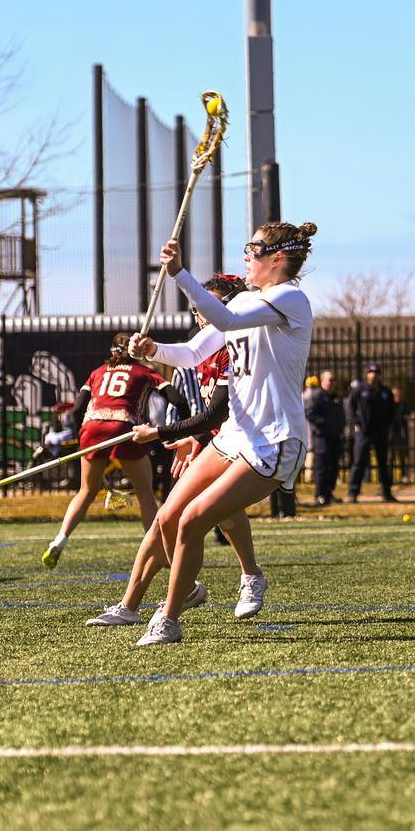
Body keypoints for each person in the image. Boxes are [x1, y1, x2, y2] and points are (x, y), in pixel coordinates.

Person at [128, 223, 317, 643]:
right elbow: (195, 352)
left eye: (254, 248)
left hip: (274, 439)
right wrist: (154, 351)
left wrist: (180, 273)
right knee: (169, 517)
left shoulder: (289, 297)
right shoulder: (250, 298)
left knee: (194, 520)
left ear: (278, 258)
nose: (246, 255)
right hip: (236, 433)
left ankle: (169, 619)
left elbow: (226, 317)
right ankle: (197, 590)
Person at [88, 274, 269, 629]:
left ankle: (244, 577)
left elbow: (216, 413)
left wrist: (161, 431)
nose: (201, 315)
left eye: (209, 307)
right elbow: (189, 366)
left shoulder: (239, 343)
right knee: (166, 518)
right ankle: (135, 603)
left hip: (244, 440)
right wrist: (150, 350)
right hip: (213, 439)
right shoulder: (205, 344)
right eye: (197, 308)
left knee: (218, 515)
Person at [41, 333, 186, 567]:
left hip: (92, 427)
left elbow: (77, 409)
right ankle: (158, 549)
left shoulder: (97, 372)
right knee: (145, 493)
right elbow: (177, 400)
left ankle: (59, 539)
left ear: (112, 351)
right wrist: (181, 427)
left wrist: (82, 440)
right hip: (124, 427)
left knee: (86, 491)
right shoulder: (145, 372)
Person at [345, 362, 397, 502]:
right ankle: (353, 493)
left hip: (380, 432)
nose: (373, 375)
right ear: (367, 374)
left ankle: (386, 493)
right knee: (359, 462)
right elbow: (350, 407)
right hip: (364, 432)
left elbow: (392, 411)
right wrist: (356, 422)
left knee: (383, 463)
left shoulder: (385, 391)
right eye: (371, 372)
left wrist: (388, 425)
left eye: (376, 372)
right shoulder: (359, 390)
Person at [305, 369, 345, 505]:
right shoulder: (317, 396)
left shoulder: (336, 397)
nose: (333, 383)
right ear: (323, 381)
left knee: (333, 467)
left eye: (334, 380)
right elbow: (310, 413)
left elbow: (341, 415)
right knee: (322, 467)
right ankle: (320, 494)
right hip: (322, 437)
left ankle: (329, 493)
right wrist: (324, 425)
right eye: (330, 380)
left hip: (335, 436)